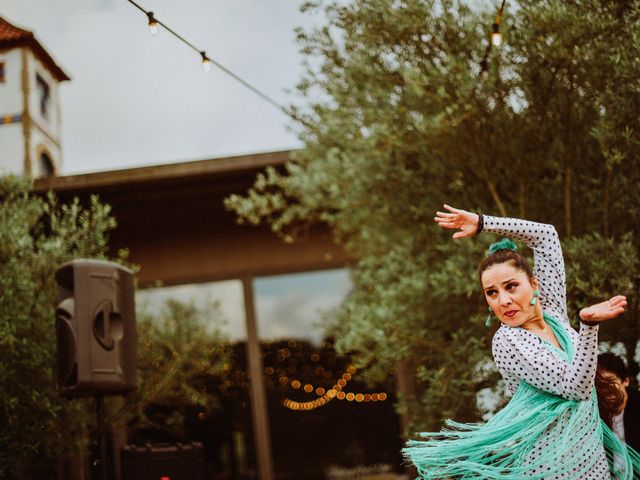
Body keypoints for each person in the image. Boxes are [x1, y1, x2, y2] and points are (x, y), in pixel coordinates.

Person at [403, 205, 640, 479]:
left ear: (534, 284)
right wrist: (587, 325)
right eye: (491, 293)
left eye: (511, 286)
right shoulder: (508, 340)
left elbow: (546, 235)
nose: (503, 300)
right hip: (554, 471)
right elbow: (576, 387)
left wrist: (482, 223)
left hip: (593, 463)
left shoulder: (552, 313)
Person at [597, 352, 640, 452]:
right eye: (600, 385)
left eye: (610, 381)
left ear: (625, 381)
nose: (605, 389)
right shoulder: (594, 412)